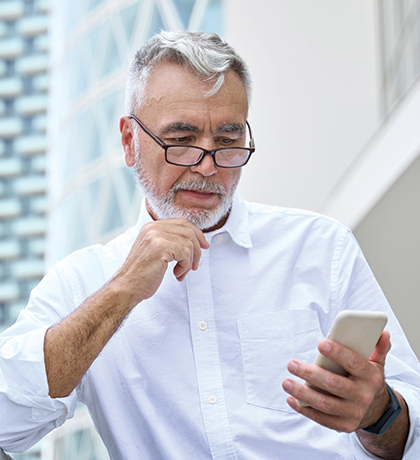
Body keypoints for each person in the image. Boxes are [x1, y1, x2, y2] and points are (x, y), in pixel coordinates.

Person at [0, 30, 419, 460]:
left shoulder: (321, 248)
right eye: (180, 140)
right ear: (130, 141)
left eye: (226, 139)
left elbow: (413, 432)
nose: (207, 165)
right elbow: (6, 425)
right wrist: (122, 291)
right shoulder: (81, 283)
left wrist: (380, 413)